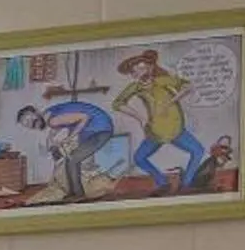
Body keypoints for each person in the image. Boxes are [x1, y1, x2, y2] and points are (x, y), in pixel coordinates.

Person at [113, 47, 202, 193]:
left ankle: (175, 183)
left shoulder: (161, 81)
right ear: (133, 74)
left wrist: (172, 101)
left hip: (170, 128)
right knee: (197, 151)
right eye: (134, 71)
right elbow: (117, 104)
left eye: (141, 68)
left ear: (150, 68)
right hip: (160, 130)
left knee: (139, 158)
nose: (138, 72)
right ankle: (178, 183)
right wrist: (140, 117)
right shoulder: (136, 87)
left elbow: (188, 86)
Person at [17, 96, 118, 203]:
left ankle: (78, 194)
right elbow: (59, 125)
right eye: (28, 125)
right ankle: (73, 193)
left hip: (100, 130)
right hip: (94, 129)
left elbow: (85, 117)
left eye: (32, 121)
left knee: (73, 160)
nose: (33, 125)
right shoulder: (48, 114)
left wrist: (69, 137)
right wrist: (52, 140)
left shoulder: (53, 121)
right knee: (70, 160)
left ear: (37, 112)